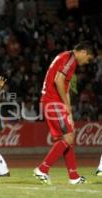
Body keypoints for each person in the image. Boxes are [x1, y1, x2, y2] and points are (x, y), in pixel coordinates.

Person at [34, 41, 95, 184]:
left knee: (69, 138)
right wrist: (66, 105)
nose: (87, 62)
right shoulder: (70, 59)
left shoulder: (67, 58)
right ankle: (42, 169)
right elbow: (58, 80)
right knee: (67, 138)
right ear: (83, 52)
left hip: (54, 102)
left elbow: (65, 88)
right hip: (52, 101)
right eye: (88, 58)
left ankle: (73, 177)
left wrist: (69, 113)